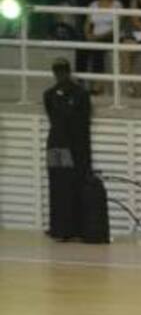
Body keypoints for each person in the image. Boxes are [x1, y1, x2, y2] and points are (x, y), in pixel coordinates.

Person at [43, 59, 93, 243]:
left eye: (62, 71)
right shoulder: (48, 95)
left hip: (76, 146)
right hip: (56, 145)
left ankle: (76, 227)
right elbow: (53, 117)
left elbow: (83, 121)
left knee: (75, 184)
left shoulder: (80, 94)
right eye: (57, 71)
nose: (60, 75)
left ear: (68, 72)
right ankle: (59, 228)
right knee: (57, 185)